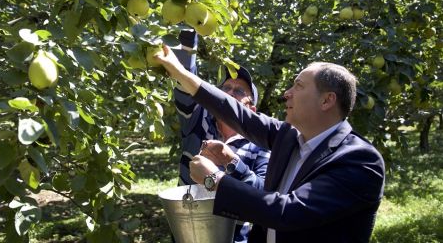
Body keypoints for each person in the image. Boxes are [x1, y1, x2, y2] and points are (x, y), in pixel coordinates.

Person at [154, 45, 386, 243]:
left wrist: (214, 179)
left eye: (299, 86)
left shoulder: (360, 161)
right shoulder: (290, 136)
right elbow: (238, 114)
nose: (287, 93)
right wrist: (180, 72)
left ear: (327, 100)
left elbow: (286, 213)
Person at [172, 30, 270, 242]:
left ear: (251, 109)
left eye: (239, 91)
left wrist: (232, 163)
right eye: (225, 87)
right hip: (189, 232)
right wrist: (189, 35)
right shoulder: (197, 122)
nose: (229, 93)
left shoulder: (260, 147)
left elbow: (262, 194)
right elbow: (184, 85)